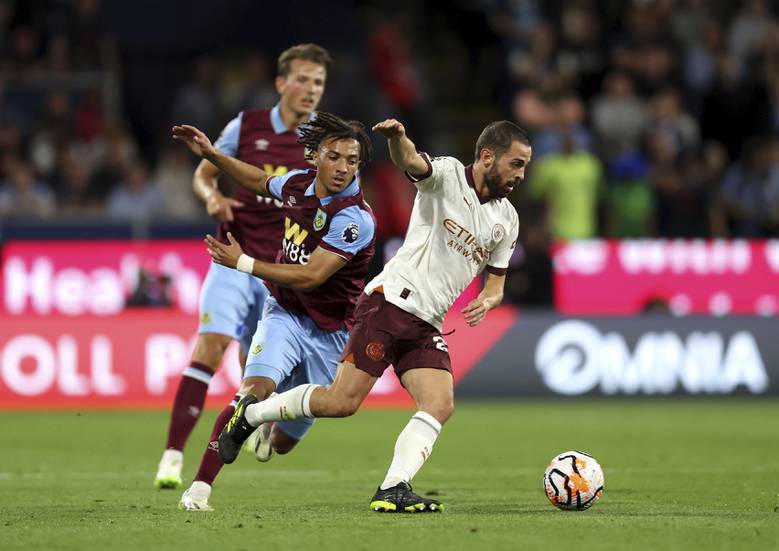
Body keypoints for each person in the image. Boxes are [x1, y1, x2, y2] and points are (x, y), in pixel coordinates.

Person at [219, 118, 532, 512]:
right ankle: (253, 415)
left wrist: (487, 300)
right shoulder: (448, 176)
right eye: (516, 163)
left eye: (524, 166)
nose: (521, 174)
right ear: (487, 157)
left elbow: (496, 284)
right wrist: (399, 138)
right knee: (341, 403)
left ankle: (393, 488)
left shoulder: (508, 220)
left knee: (440, 403)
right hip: (390, 303)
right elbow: (412, 162)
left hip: (427, 321)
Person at [171, 111, 375, 511]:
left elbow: (312, 276)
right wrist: (213, 155)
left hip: (331, 332)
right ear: (314, 156)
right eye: (335, 157)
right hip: (284, 313)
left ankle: (265, 424)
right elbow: (257, 179)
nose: (344, 168)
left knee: (282, 444)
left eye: (352, 161)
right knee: (249, 394)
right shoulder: (297, 184)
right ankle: (198, 490)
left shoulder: (355, 219)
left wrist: (243, 262)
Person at [154, 44, 332, 489]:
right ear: (281, 83)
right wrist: (211, 196)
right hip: (233, 259)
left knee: (264, 379)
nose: (311, 90)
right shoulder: (246, 126)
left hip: (282, 273)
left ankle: (261, 426)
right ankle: (172, 457)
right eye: (304, 79)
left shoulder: (325, 143)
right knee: (209, 348)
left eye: (319, 83)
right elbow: (206, 170)